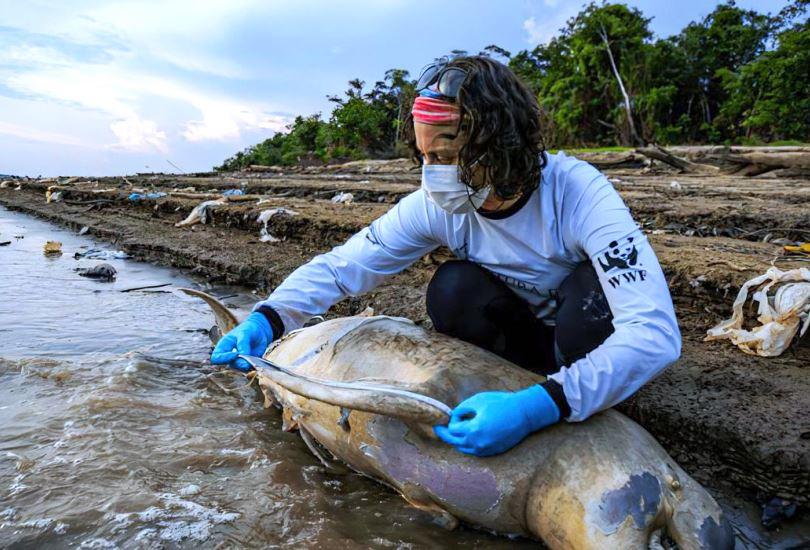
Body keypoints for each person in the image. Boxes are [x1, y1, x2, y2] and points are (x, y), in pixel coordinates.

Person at [211, 56, 681, 457]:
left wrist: (539, 407)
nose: (433, 175)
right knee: (452, 287)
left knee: (591, 293)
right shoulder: (438, 206)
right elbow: (346, 266)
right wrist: (269, 317)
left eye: (447, 156)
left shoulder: (578, 194)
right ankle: (509, 391)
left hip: (579, 339)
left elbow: (653, 333)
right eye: (424, 158)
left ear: (500, 144)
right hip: (521, 340)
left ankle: (567, 395)